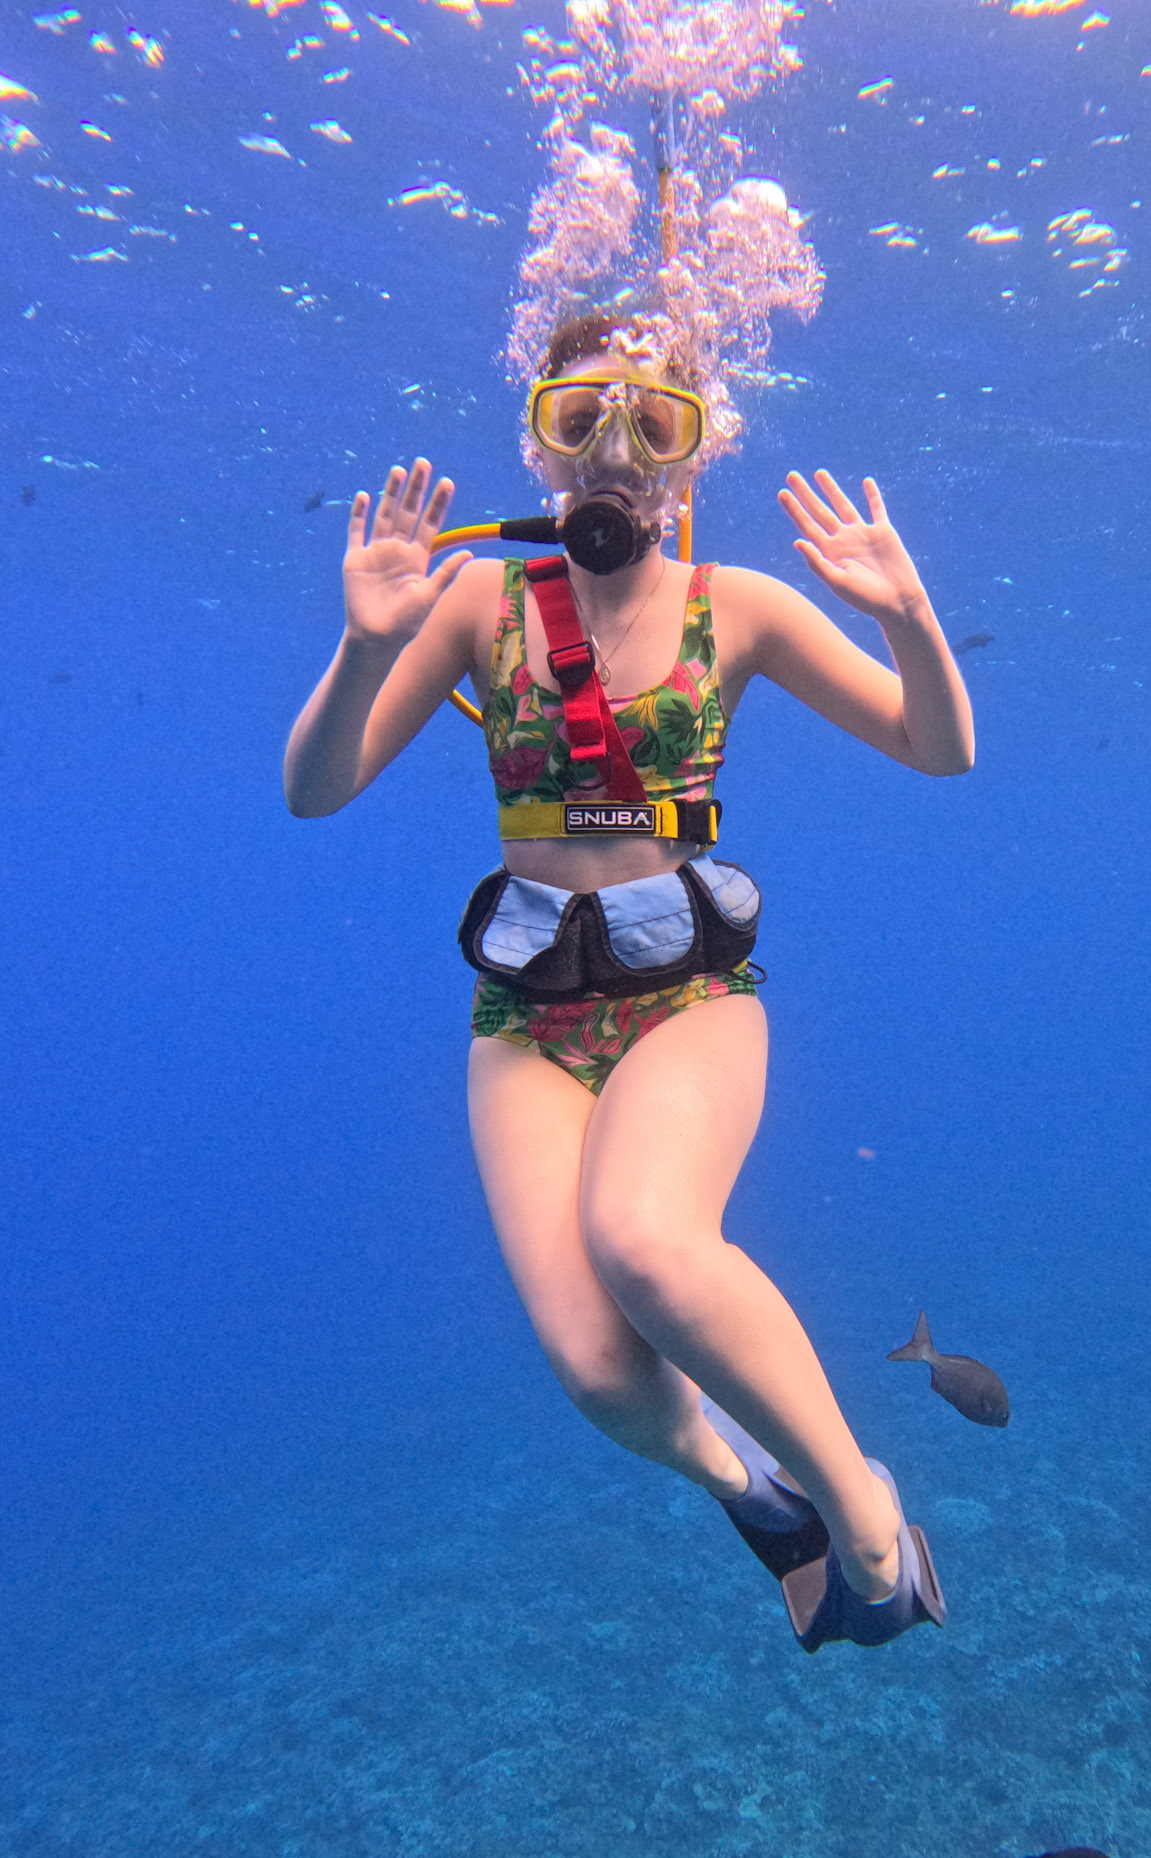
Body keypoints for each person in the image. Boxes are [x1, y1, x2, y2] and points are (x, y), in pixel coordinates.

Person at [283, 312, 975, 1652]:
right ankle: (749, 1493)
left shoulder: (744, 610)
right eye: (577, 417)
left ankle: (868, 1516)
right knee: (600, 1375)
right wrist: (365, 642)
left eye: (652, 421)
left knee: (650, 1244)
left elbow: (935, 748)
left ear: (696, 448)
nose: (614, 454)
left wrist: (909, 617)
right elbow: (314, 793)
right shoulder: (475, 607)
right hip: (525, 1018)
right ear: (536, 440)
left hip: (688, 1001)